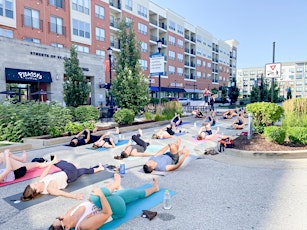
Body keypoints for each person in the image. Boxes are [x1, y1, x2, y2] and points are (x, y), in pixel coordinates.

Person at [49, 174, 159, 230]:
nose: (61, 216)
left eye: (58, 217)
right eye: (60, 220)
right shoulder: (83, 226)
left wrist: (99, 197)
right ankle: (115, 185)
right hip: (116, 210)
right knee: (96, 196)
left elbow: (88, 202)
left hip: (108, 200)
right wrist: (101, 196)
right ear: (67, 228)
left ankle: (155, 188)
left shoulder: (70, 212)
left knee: (134, 193)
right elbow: (108, 213)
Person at [21, 156, 104, 201]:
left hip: (67, 173)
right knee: (60, 162)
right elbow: (60, 193)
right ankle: (73, 166)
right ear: (38, 190)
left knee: (84, 171)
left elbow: (45, 172)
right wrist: (74, 196)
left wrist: (51, 163)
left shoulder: (41, 181)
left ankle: (100, 168)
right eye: (35, 185)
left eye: (33, 183)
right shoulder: (49, 189)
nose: (35, 182)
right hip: (69, 174)